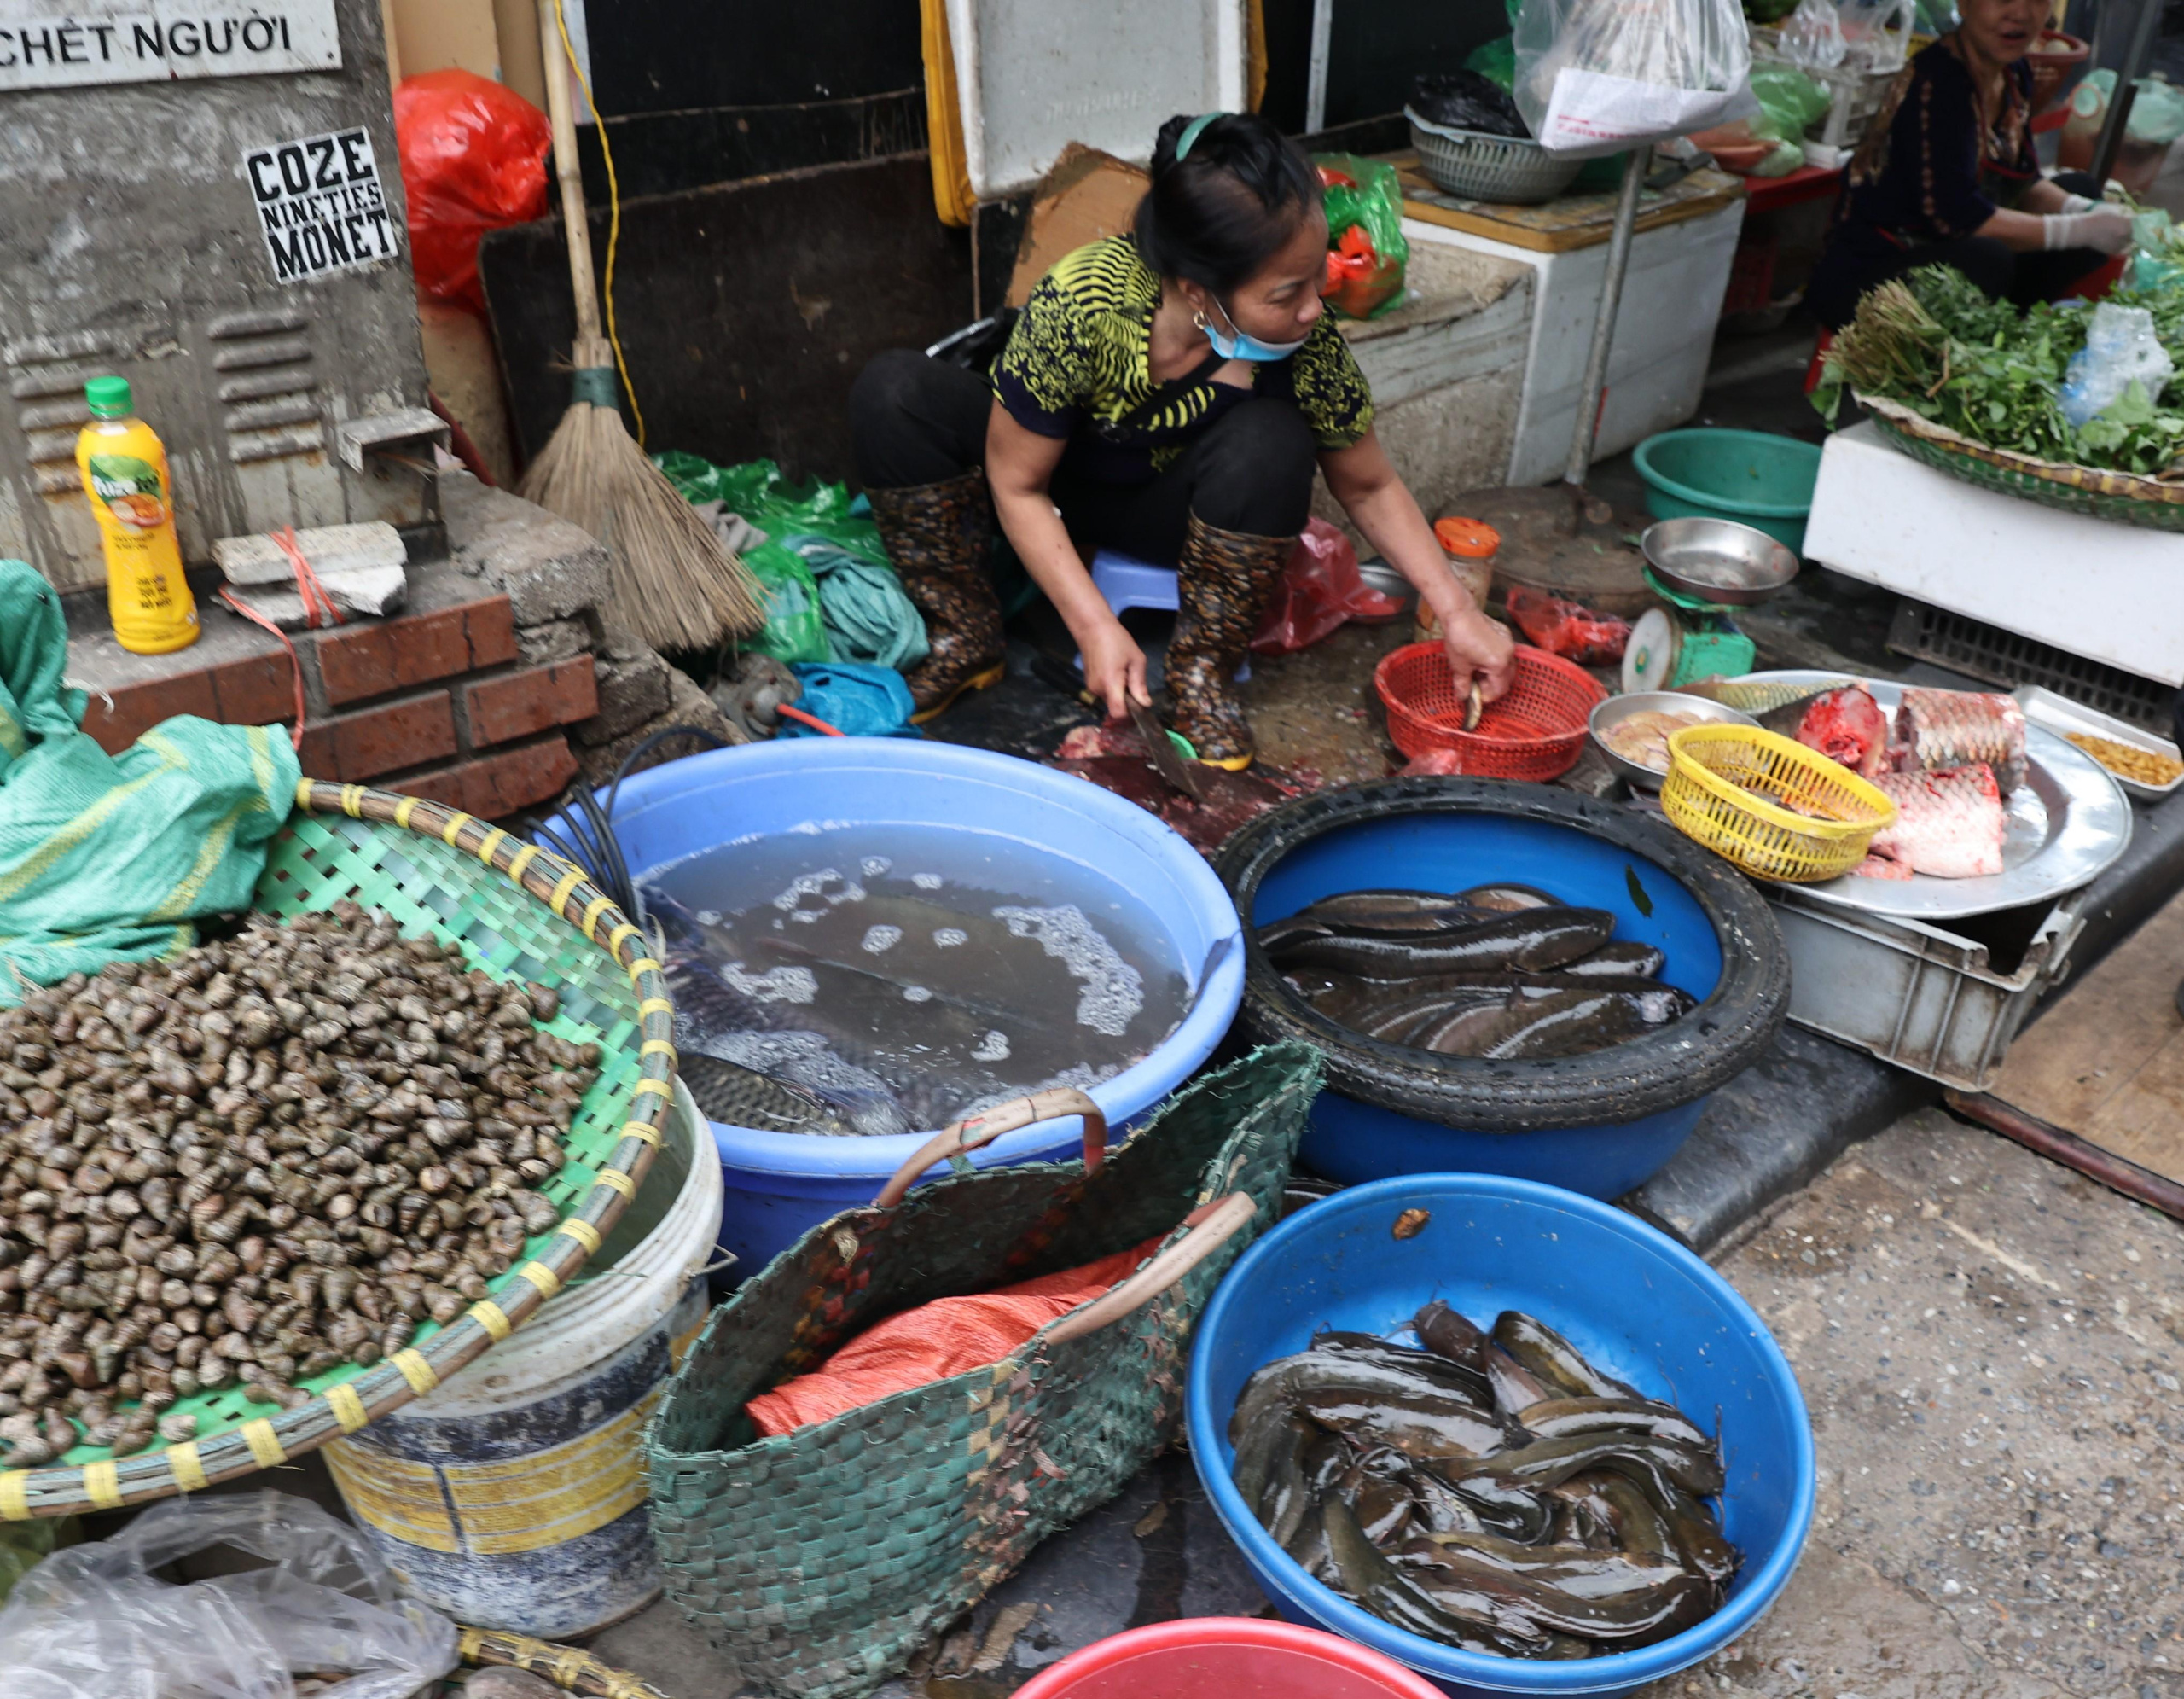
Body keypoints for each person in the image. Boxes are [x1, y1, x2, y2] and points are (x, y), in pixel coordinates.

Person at [849, 110, 1515, 769]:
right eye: (1287, 292)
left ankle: (1200, 680)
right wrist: (1094, 625)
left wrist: (1457, 611)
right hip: (1046, 486)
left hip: (1170, 515)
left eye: (1318, 279)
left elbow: (1368, 483)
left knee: (1275, 439)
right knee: (895, 394)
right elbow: (1018, 483)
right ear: (1199, 291)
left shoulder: (1304, 345)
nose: (1314, 306)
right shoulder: (1086, 303)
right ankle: (965, 637)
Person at [1808, 0, 2135, 331]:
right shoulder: (1936, 84)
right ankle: (1993, 338)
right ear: (1964, 5)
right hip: (1872, 272)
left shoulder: (2014, 72)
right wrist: (2079, 229)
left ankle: (2011, 330)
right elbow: (1962, 220)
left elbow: (2024, 183)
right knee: (1987, 259)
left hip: (1954, 251)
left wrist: (2086, 209)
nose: (2020, 13)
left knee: (2081, 188)